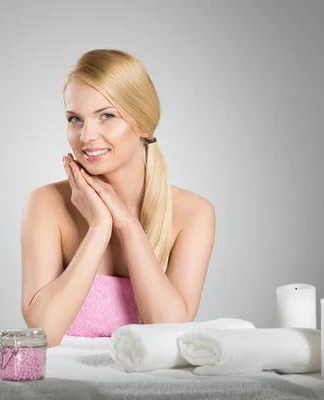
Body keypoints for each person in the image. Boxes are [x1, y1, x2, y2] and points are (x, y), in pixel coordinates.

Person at [20, 49, 216, 347]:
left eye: (107, 116)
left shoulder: (193, 213)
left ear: (143, 125)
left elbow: (169, 330)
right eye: (75, 119)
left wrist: (127, 225)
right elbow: (43, 332)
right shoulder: (45, 204)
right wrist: (99, 227)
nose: (86, 136)